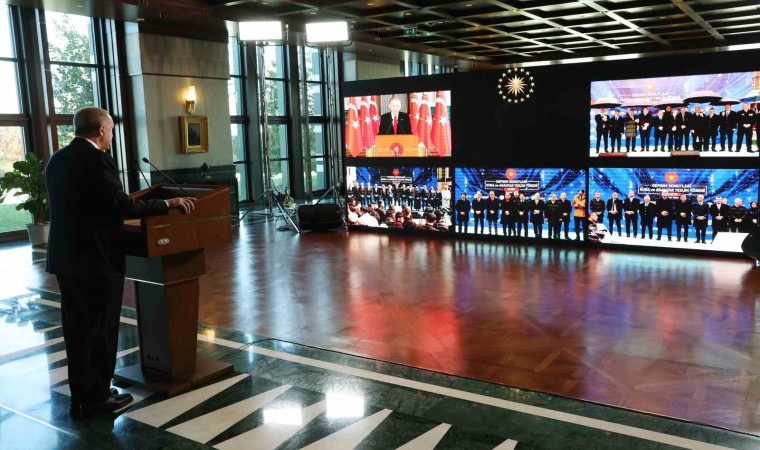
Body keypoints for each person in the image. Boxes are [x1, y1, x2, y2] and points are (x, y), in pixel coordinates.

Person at [46, 107, 196, 419]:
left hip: (66, 259)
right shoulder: (97, 159)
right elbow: (119, 206)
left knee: (77, 331)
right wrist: (166, 204)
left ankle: (82, 396)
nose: (111, 136)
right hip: (96, 261)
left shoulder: (58, 159)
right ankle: (97, 398)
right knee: (101, 330)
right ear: (101, 130)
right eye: (112, 130)